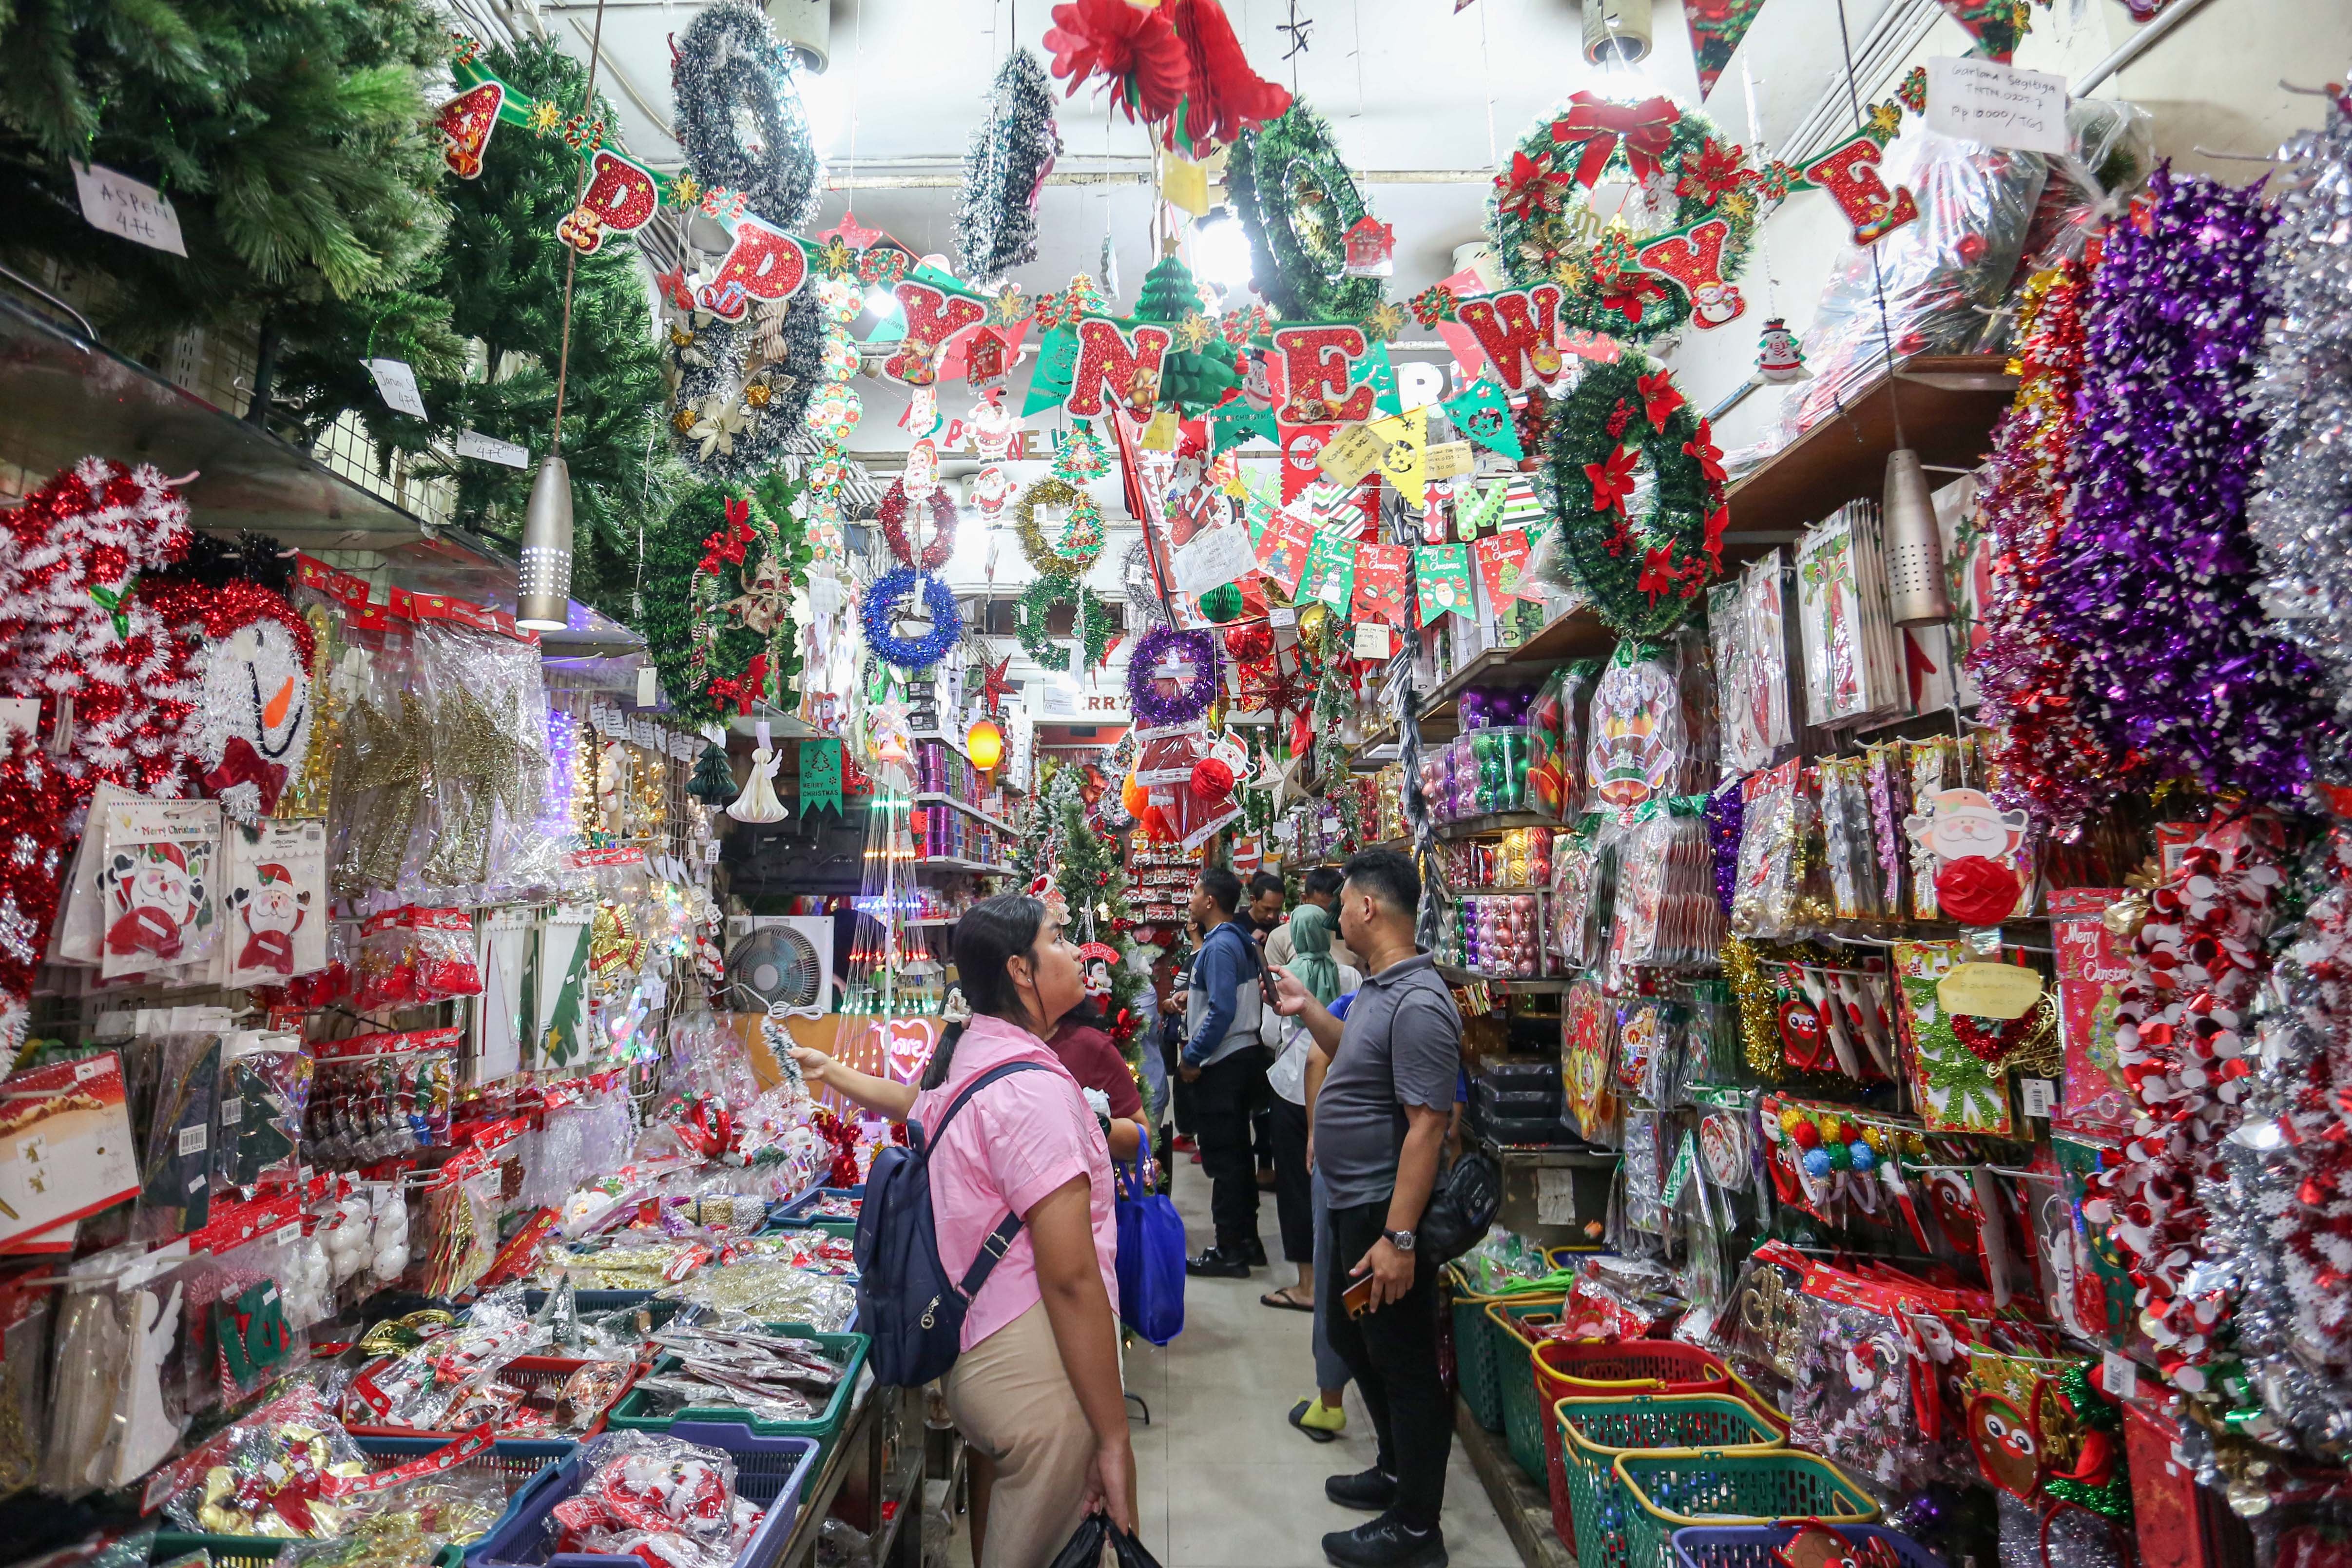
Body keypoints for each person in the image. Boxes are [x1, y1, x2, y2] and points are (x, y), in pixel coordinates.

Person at [790, 896, 1135, 1568]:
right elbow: (1069, 1278)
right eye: (1058, 939)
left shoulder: (976, 1051)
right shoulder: (1033, 1091)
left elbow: (919, 1106)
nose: (1075, 952)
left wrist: (831, 1072)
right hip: (1038, 1366)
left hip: (977, 1350)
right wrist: (1114, 1436)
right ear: (1021, 970)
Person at [1269, 849, 1460, 1568]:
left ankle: (1416, 1529)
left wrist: (1399, 1238)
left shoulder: (1420, 1002)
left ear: (1368, 908)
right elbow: (1357, 1055)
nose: (1336, 913)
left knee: (1403, 1362)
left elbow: (1428, 1125)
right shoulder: (1383, 987)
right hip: (1355, 1204)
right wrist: (1309, 1010)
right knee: (1354, 1342)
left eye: (1343, 900)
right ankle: (1394, 1468)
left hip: (1384, 1213)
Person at [1261, 903, 1360, 1325]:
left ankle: (1306, 1283)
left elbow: (1269, 1033)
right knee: (1336, 1183)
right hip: (1338, 1089)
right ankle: (1343, 1276)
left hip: (1291, 1088)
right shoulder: (1350, 976)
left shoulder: (1286, 976)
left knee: (1295, 1186)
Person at [1177, 865, 1267, 1277]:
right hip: (1243, 1056)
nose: (1191, 898)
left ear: (1210, 901)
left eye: (1195, 891)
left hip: (1224, 1062)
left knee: (1224, 1161)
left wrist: (1193, 1056)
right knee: (1239, 1156)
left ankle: (1229, 1250)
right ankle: (1247, 1241)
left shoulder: (1217, 946)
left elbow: (1223, 1009)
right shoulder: (1238, 939)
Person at [1265, 865, 1362, 973]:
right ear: (1304, 899)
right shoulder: (1279, 938)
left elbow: (1363, 980)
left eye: (1334, 910)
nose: (1327, 917)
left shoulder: (1353, 938)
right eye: (1320, 910)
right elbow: (1274, 982)